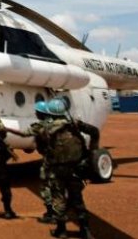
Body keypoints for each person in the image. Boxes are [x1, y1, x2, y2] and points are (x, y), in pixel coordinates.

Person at [13, 99, 99, 239]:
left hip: (56, 170)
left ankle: (61, 230)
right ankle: (85, 229)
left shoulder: (45, 128)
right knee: (78, 200)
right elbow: (94, 132)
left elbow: (38, 145)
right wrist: (92, 152)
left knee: (58, 199)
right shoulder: (75, 125)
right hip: (75, 170)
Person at [7, 100, 57, 223]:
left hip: (48, 160)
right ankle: (59, 210)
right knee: (59, 185)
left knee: (46, 185)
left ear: (40, 113)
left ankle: (51, 213)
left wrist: (7, 129)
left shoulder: (39, 127)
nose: (35, 113)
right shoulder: (57, 124)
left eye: (37, 112)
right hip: (61, 159)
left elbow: (24, 133)